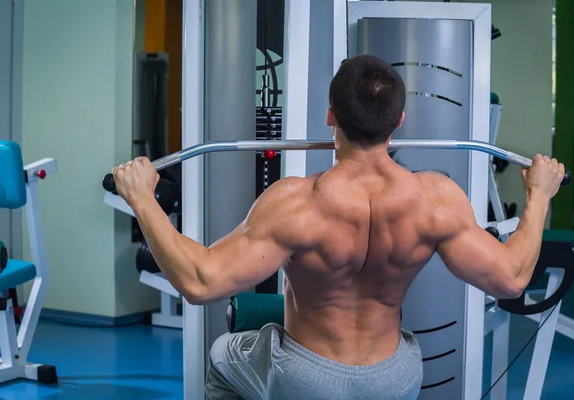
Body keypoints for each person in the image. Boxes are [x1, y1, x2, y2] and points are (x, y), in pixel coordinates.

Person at [111, 54, 565, 399]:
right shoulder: (436, 199)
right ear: (399, 122)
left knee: (222, 356)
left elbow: (200, 280)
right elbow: (511, 279)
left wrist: (142, 198)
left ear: (330, 115)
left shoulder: (295, 203)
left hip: (304, 377)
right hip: (393, 376)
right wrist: (539, 195)